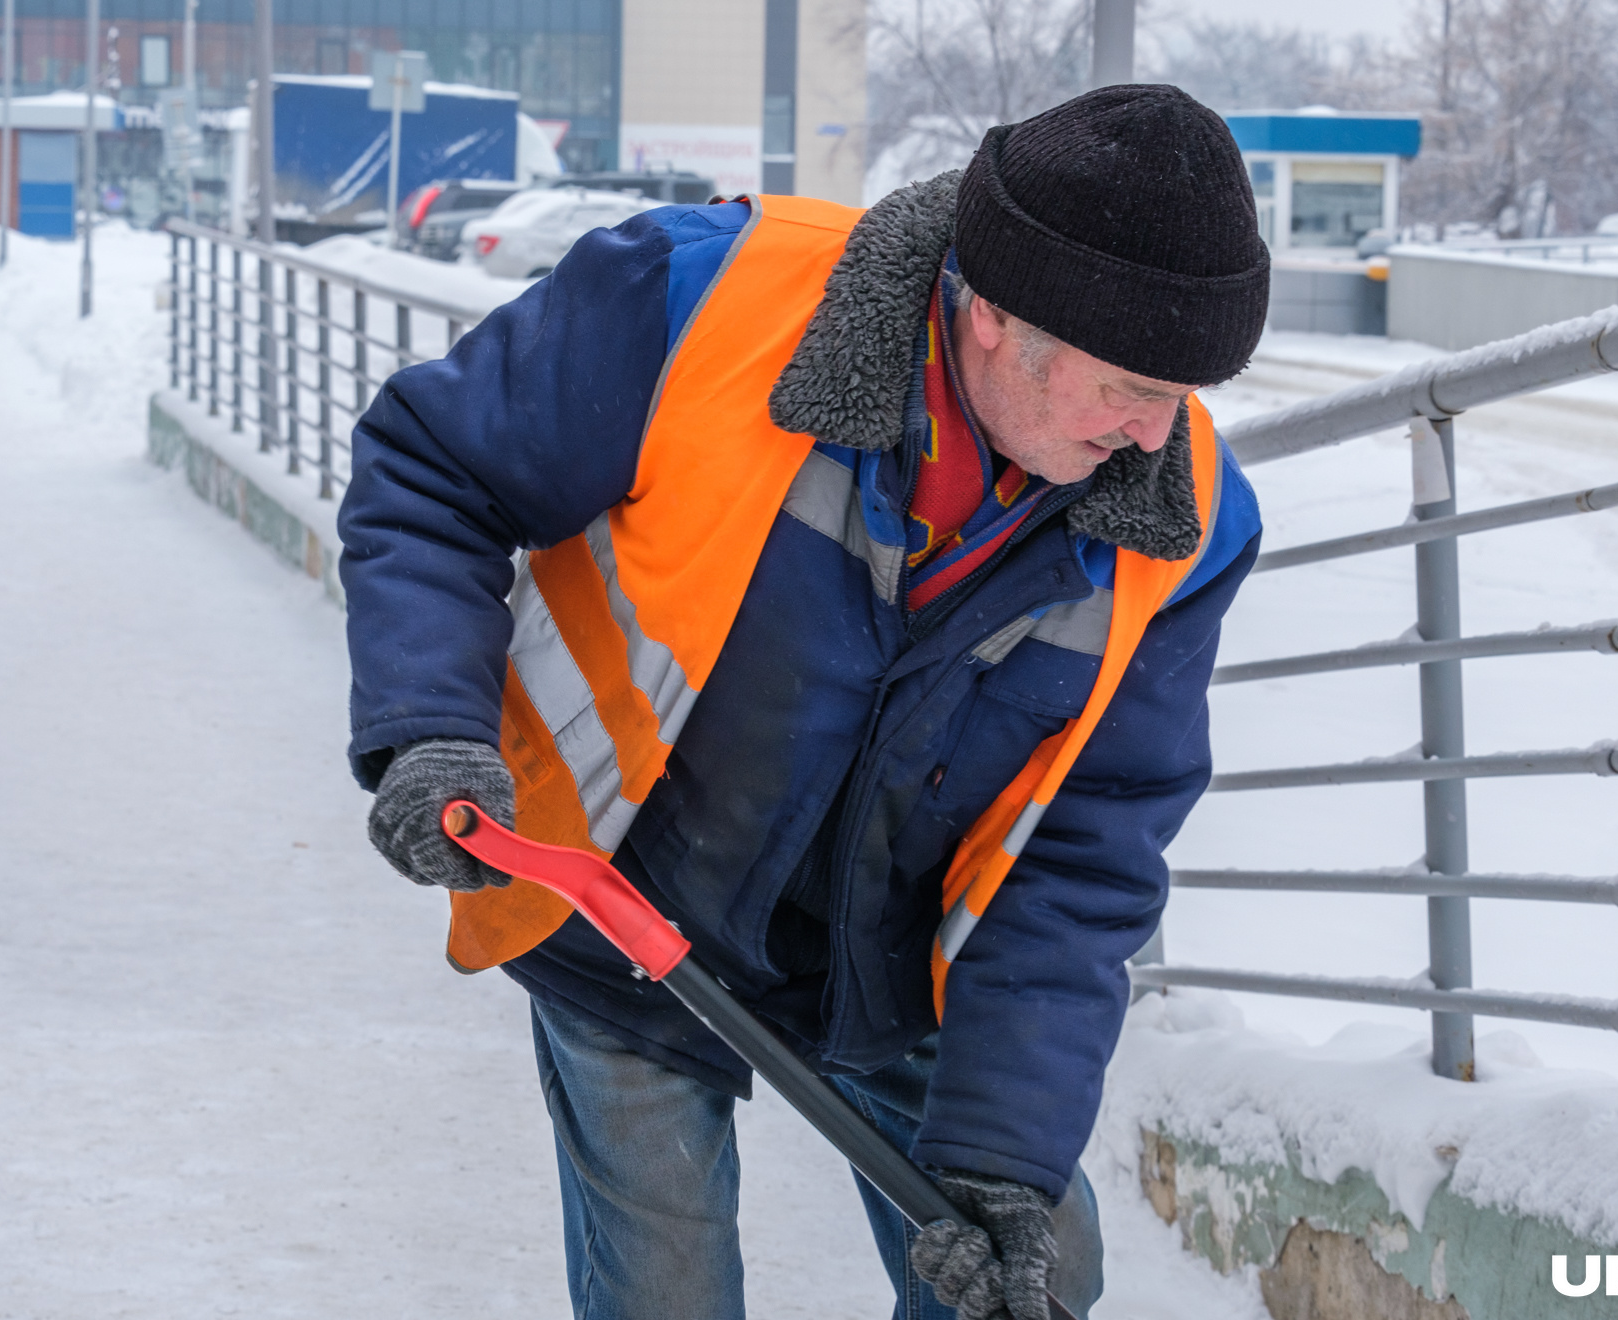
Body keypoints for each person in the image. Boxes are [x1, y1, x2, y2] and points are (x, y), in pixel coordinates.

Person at [341, 84, 1270, 1320]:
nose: (1156, 437)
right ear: (991, 314)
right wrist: (431, 727)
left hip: (894, 956)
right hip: (627, 896)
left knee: (1028, 1275)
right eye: (1126, 387)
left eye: (1185, 393)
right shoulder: (700, 304)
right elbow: (433, 473)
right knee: (666, 1289)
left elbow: (1088, 850)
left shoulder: (1185, 523)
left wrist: (1000, 1156)